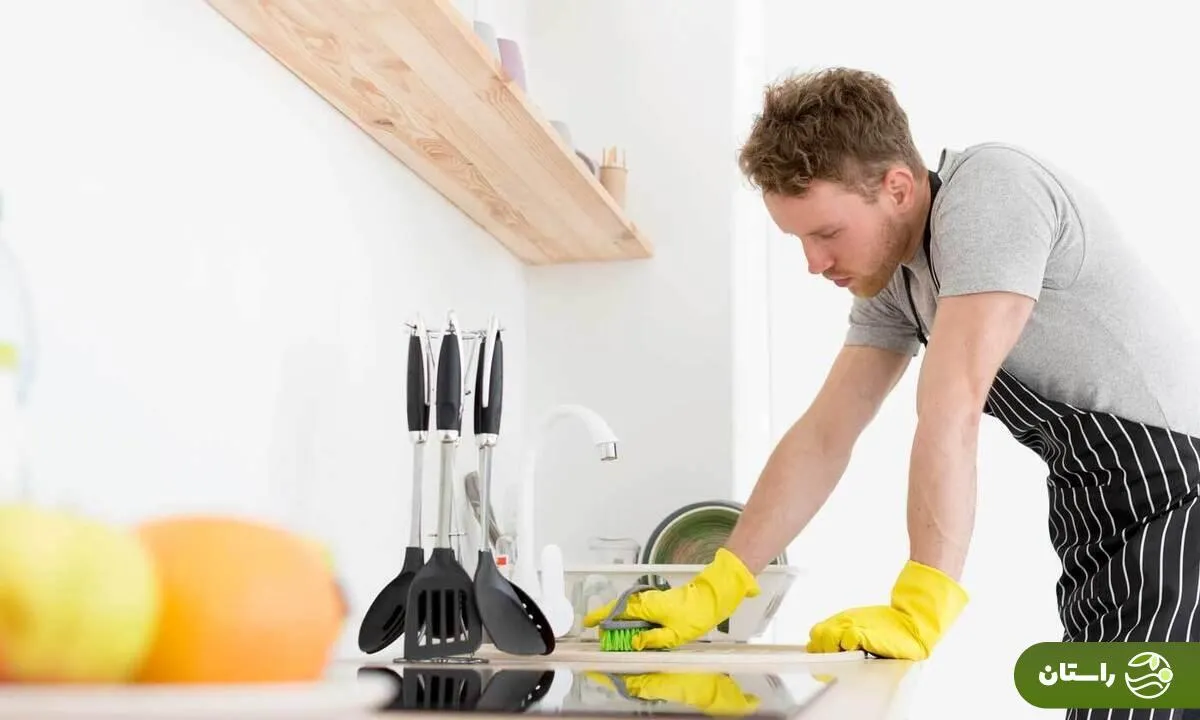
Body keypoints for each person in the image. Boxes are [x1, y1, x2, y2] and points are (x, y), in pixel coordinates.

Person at [583, 67, 1200, 720]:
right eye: (799, 240)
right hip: (1099, 518)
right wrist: (719, 584)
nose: (813, 263)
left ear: (898, 188)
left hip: (1181, 502)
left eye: (826, 233)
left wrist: (920, 606)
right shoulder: (898, 280)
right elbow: (825, 434)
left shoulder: (992, 194)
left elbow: (951, 408)